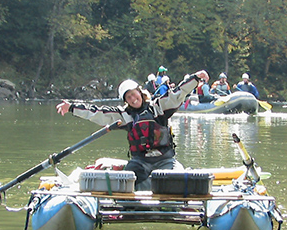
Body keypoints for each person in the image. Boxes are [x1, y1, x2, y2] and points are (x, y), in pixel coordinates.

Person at [56, 70, 209, 191]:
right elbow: (97, 113)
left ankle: (155, 190)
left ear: (139, 91)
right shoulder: (124, 115)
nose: (133, 98)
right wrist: (71, 107)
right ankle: (140, 196)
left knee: (176, 179)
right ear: (125, 100)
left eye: (133, 93)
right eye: (128, 97)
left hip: (166, 161)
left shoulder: (159, 107)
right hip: (140, 162)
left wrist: (196, 78)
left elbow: (178, 93)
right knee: (126, 182)